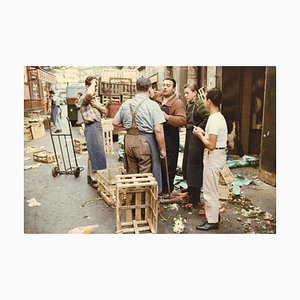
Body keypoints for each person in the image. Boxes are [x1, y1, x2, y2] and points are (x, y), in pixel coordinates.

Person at [112, 77, 166, 193]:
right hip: (144, 141)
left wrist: (128, 126)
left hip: (129, 140)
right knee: (145, 176)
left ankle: (133, 201)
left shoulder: (127, 103)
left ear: (136, 88)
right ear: (150, 89)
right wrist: (162, 149)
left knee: (132, 173)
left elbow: (115, 122)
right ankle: (142, 205)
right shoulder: (152, 105)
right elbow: (158, 129)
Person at [193, 87, 228, 231]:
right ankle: (214, 216)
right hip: (216, 155)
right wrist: (203, 132)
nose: (204, 101)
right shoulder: (217, 116)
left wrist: (199, 135)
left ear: (209, 101)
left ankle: (212, 221)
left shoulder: (214, 120)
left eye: (205, 99)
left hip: (213, 156)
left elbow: (211, 145)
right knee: (211, 188)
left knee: (209, 190)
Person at [154, 78, 187, 196]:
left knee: (168, 165)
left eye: (168, 85)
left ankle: (167, 191)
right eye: (163, 85)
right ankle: (157, 189)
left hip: (170, 138)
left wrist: (167, 117)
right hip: (157, 136)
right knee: (156, 163)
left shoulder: (177, 103)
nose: (165, 87)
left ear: (173, 88)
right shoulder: (157, 98)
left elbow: (182, 120)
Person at [182, 83, 209, 203]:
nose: (185, 95)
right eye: (185, 93)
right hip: (189, 135)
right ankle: (190, 188)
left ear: (195, 93)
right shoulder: (189, 104)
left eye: (188, 93)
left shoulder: (199, 104)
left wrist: (199, 128)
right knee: (188, 162)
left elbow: (207, 116)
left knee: (195, 164)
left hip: (196, 137)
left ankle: (196, 195)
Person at [79, 77, 107, 188]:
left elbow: (105, 110)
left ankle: (92, 178)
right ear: (87, 86)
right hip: (91, 126)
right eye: (94, 85)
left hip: (97, 125)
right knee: (96, 153)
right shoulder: (84, 98)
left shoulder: (95, 99)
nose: (95, 88)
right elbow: (89, 94)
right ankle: (96, 180)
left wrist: (96, 105)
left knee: (94, 153)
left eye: (96, 86)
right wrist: (94, 82)